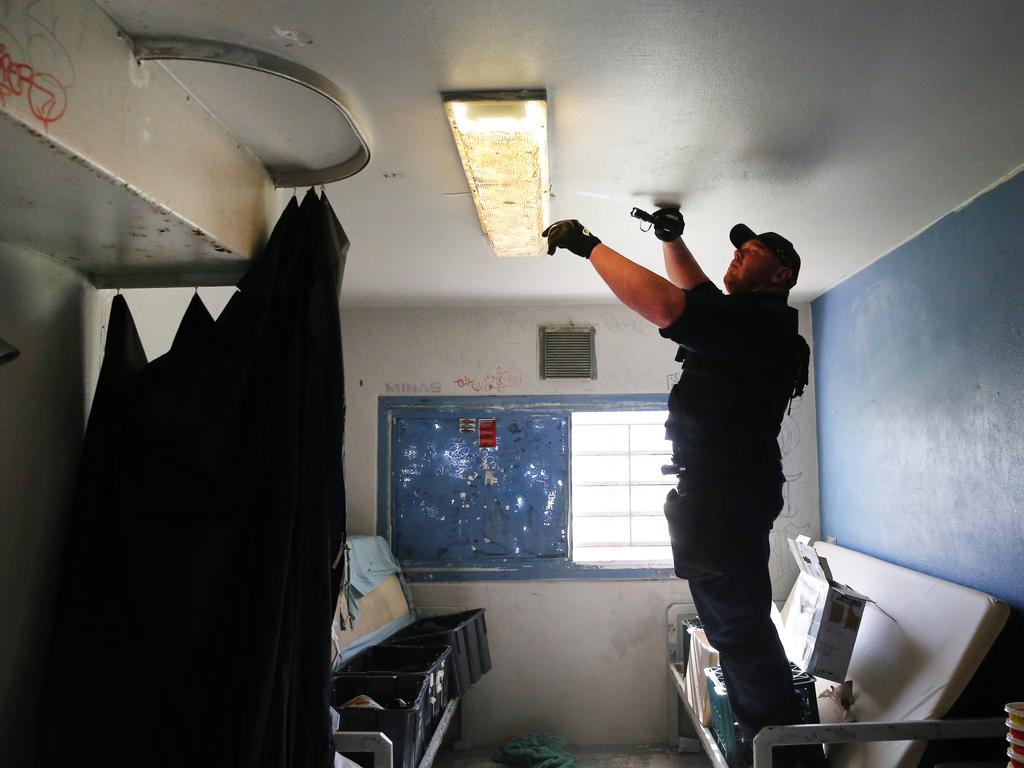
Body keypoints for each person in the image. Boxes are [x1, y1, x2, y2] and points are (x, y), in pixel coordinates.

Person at [543, 210, 824, 768]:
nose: (738, 252)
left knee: (739, 629)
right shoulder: (751, 321)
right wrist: (673, 239)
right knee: (738, 624)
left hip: (725, 492)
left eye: (754, 249)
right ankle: (777, 746)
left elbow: (672, 306)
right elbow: (695, 291)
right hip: (727, 490)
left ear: (782, 274)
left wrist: (590, 246)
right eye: (737, 247)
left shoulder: (758, 325)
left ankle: (780, 755)